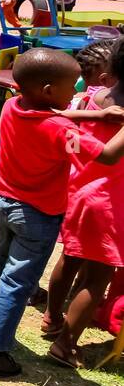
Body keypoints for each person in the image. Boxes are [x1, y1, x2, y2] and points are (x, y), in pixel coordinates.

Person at [0, 48, 124, 378]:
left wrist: (94, 116)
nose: (76, 94)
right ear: (49, 91)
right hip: (35, 217)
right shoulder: (61, 133)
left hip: (3, 203)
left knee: (0, 260)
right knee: (18, 281)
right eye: (72, 87)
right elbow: (108, 155)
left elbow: (56, 116)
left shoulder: (13, 106)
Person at [42, 40, 124, 368]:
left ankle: (52, 317)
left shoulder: (94, 97)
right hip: (109, 202)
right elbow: (110, 156)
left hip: (78, 191)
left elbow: (73, 131)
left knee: (70, 257)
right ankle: (65, 345)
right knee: (98, 277)